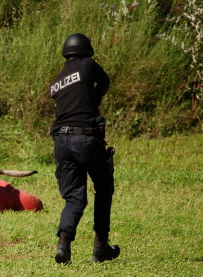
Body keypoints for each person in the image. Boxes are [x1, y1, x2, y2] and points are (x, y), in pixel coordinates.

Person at [48, 33, 120, 264]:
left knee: (74, 199)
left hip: (61, 142)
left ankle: (63, 245)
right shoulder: (88, 64)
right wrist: (94, 101)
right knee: (104, 189)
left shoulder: (56, 83)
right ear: (87, 50)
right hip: (85, 139)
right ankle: (100, 248)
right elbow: (105, 80)